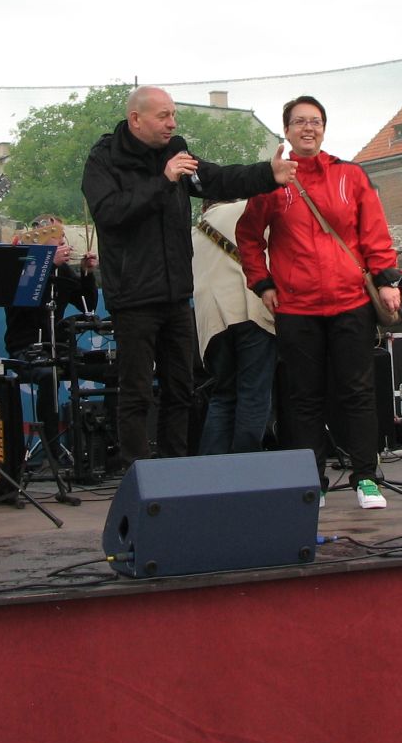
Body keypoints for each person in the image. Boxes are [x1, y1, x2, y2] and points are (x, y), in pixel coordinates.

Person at [82, 85, 295, 469]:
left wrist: (268, 173)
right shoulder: (104, 160)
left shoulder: (175, 151)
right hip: (133, 296)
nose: (172, 123)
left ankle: (176, 469)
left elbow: (217, 179)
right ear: (136, 119)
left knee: (181, 388)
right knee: (136, 391)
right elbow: (110, 213)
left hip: (177, 294)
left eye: (174, 115)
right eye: (164, 116)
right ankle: (137, 473)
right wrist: (163, 181)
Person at [237, 95, 401, 509]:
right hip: (297, 308)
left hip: (350, 302)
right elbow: (249, 237)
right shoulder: (273, 181)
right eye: (299, 121)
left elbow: (374, 232)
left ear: (324, 129)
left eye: (315, 121)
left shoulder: (350, 175)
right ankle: (314, 481)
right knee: (303, 399)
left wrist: (385, 279)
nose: (308, 128)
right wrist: (262, 283)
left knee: (358, 393)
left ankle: (366, 478)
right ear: (287, 130)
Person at [3, 217, 99, 462]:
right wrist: (45, 267)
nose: (64, 242)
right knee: (49, 375)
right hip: (26, 347)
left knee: (101, 364)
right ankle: (51, 449)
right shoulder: (23, 268)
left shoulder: (63, 271)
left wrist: (86, 273)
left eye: (63, 237)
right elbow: (22, 309)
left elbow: (87, 305)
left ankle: (101, 447)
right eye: (58, 238)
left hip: (58, 345)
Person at [193, 199, 277, 455]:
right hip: (249, 311)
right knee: (253, 393)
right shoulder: (245, 209)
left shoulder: (194, 232)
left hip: (213, 323)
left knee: (223, 395)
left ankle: (212, 469)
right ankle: (246, 465)